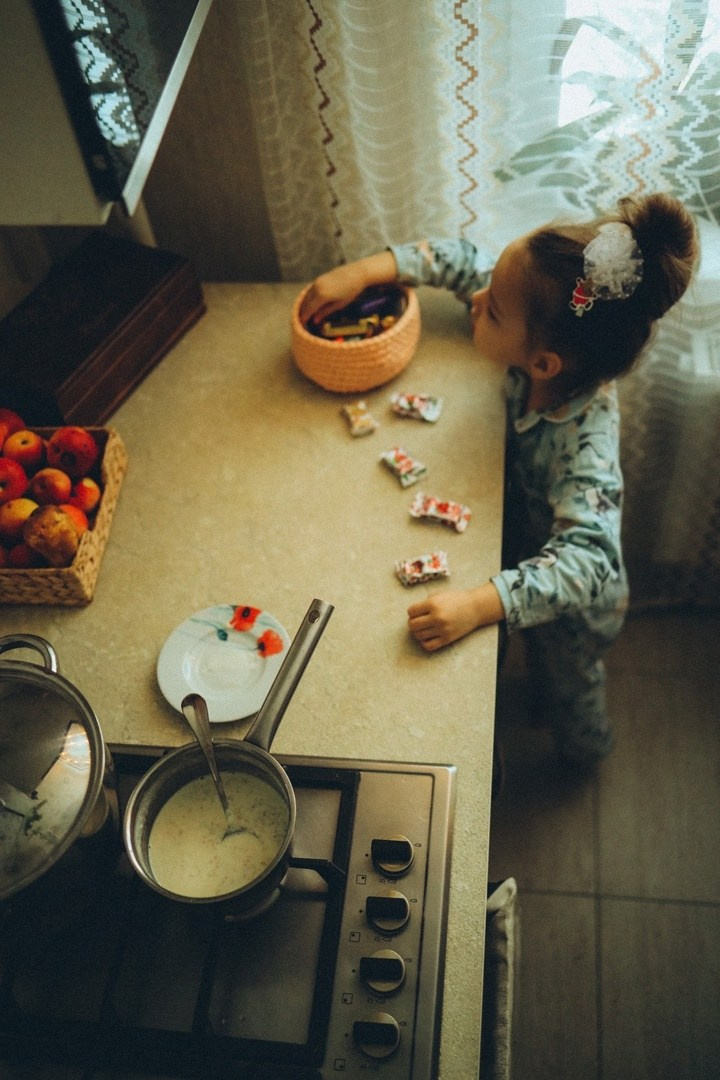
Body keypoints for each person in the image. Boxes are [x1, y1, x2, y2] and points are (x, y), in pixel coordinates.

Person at [300, 194, 698, 766]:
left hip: (574, 616)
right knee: (531, 659)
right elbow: (461, 262)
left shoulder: (586, 441)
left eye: (491, 312)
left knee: (568, 688)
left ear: (543, 365)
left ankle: (587, 755)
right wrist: (364, 270)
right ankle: (539, 691)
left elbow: (589, 562)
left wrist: (481, 606)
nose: (477, 298)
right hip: (522, 553)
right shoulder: (545, 320)